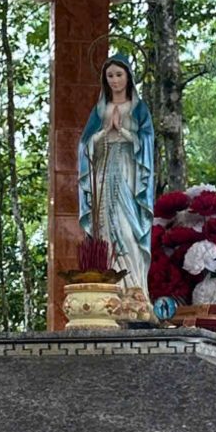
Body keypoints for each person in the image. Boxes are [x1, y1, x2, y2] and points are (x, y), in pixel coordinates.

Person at [77, 54, 156, 313]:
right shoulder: (100, 110)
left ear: (128, 77)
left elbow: (147, 143)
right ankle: (110, 292)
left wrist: (122, 131)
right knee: (105, 230)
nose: (114, 80)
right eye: (110, 75)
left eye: (119, 75)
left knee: (127, 228)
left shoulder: (138, 108)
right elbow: (84, 145)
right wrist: (103, 132)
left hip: (128, 173)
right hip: (103, 173)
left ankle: (135, 290)